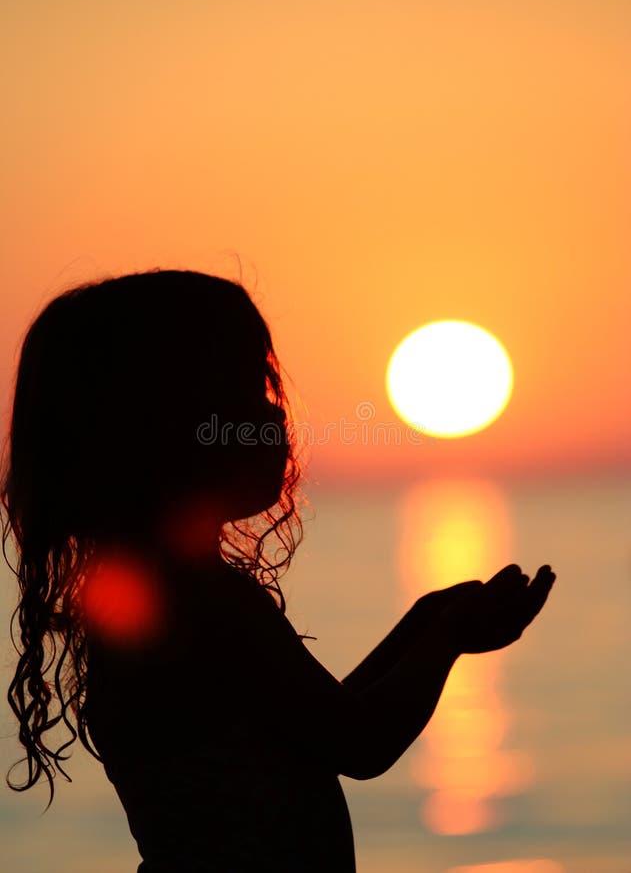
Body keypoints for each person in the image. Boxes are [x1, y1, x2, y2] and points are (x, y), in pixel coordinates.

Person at [1, 268, 556, 872]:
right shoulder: (207, 604)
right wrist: (445, 641)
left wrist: (423, 623)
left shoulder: (163, 593)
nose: (272, 416)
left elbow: (311, 722)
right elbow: (358, 742)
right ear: (163, 434)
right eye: (241, 396)